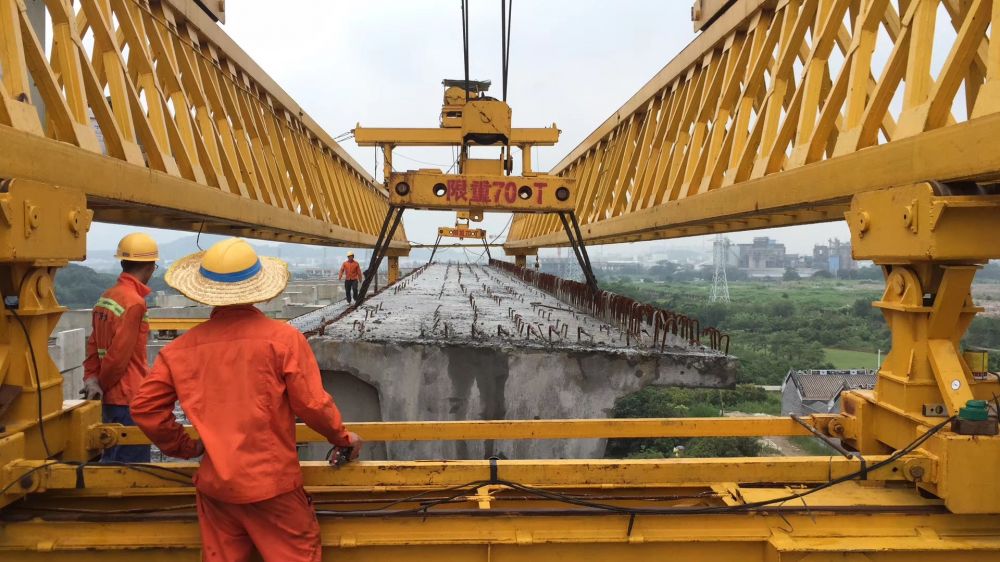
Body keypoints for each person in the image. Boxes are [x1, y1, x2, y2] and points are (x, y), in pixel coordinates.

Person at [131, 237, 362, 562]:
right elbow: (312, 404)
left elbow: (145, 408)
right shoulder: (283, 341)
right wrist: (342, 437)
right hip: (273, 488)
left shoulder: (179, 351)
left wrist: (185, 447)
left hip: (217, 491)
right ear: (257, 287)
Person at [82, 232, 158, 463]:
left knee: (112, 460)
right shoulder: (134, 303)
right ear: (151, 267)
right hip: (129, 396)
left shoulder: (107, 297)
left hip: (112, 398)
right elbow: (118, 358)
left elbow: (94, 344)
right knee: (131, 469)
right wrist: (103, 384)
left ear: (123, 263)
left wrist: (92, 379)